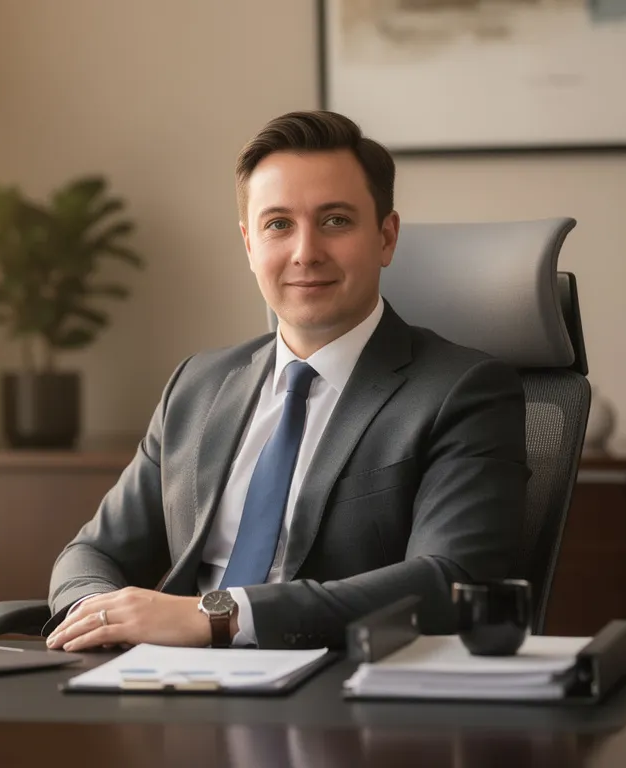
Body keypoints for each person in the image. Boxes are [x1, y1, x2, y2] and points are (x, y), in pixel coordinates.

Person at [44, 110, 528, 652]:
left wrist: (218, 617)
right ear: (250, 245)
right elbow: (92, 555)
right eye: (278, 224)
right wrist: (100, 613)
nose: (305, 252)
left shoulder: (462, 391)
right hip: (173, 689)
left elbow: (450, 580)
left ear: (386, 238)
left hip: (338, 695)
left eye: (336, 220)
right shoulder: (198, 385)